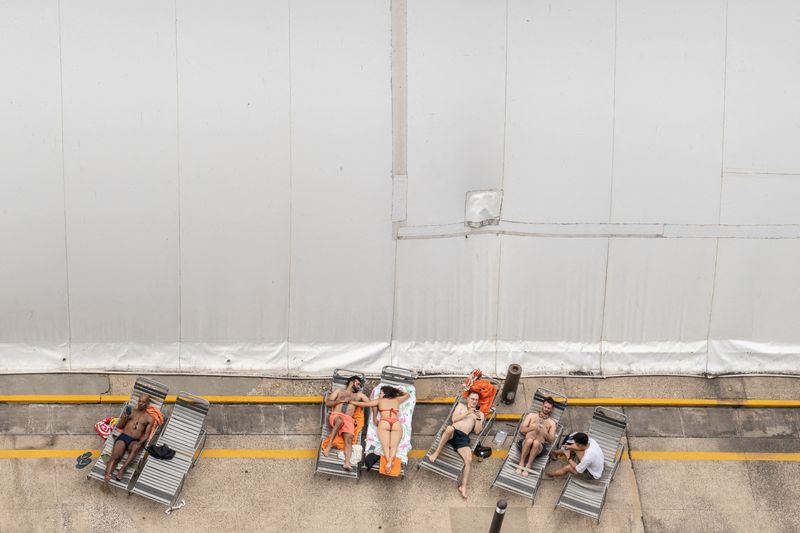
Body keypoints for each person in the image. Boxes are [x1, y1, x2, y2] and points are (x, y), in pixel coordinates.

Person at [426, 391, 484, 499]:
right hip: (453, 432)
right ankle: (436, 453)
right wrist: (468, 412)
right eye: (472, 399)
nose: (474, 401)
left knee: (469, 460)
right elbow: (454, 419)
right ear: (468, 399)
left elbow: (477, 431)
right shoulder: (461, 406)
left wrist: (478, 419)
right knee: (449, 428)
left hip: (463, 438)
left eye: (476, 399)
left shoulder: (480, 414)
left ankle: (463, 486)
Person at [352, 385, 411, 474]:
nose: (379, 395)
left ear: (385, 394)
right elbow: (408, 395)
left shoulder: (380, 401)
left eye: (380, 393)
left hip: (384, 422)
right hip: (396, 423)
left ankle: (389, 462)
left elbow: (366, 404)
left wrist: (352, 402)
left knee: (386, 446)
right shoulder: (397, 400)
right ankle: (390, 462)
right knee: (394, 446)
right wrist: (396, 390)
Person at [321, 375, 369, 471]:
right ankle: (329, 445)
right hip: (336, 416)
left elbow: (369, 403)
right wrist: (341, 400)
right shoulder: (339, 391)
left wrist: (354, 403)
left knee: (349, 440)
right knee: (339, 421)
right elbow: (328, 403)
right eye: (358, 384)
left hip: (348, 419)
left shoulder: (358, 396)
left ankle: (347, 463)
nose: (359, 387)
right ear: (351, 382)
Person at [104, 393, 153, 482]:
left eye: (144, 402)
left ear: (147, 404)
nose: (141, 403)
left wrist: (140, 442)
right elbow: (120, 425)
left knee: (136, 447)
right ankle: (107, 474)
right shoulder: (131, 411)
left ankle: (123, 468)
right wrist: (123, 418)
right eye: (140, 401)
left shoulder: (149, 418)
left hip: (134, 441)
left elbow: (146, 434)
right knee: (115, 456)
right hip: (123, 437)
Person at [515, 396, 556, 476]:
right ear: (542, 405)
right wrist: (533, 427)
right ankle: (521, 463)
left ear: (551, 409)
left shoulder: (552, 423)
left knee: (536, 443)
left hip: (539, 448)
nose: (546, 409)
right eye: (545, 407)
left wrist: (545, 432)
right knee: (530, 441)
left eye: (549, 408)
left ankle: (529, 465)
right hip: (525, 443)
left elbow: (551, 440)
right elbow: (522, 429)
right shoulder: (531, 415)